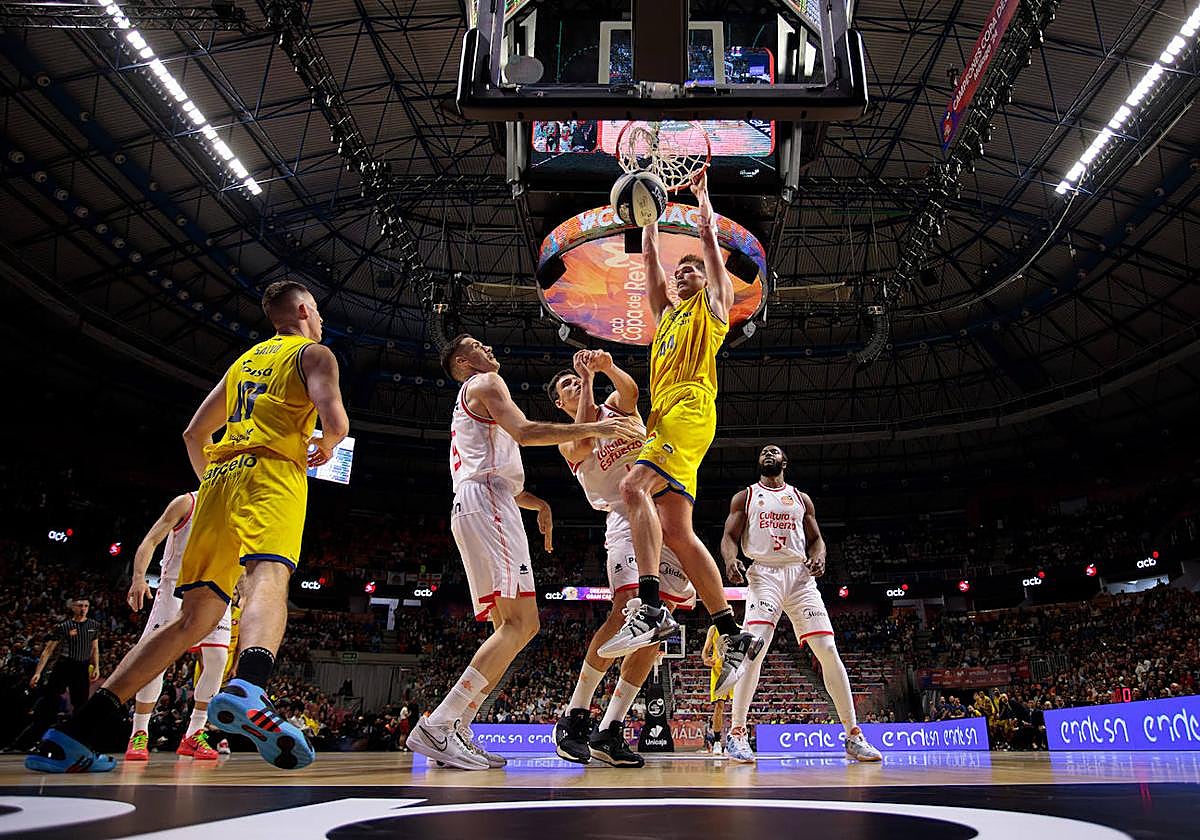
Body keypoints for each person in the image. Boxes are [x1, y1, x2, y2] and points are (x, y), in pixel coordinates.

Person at [26, 280, 349, 774]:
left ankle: (74, 734)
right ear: (305, 310)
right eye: (319, 311)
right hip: (271, 472)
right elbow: (337, 422)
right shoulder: (315, 355)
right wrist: (326, 445)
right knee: (268, 574)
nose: (322, 320)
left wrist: (215, 485)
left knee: (191, 620)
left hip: (217, 484)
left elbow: (194, 432)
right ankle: (250, 685)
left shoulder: (243, 364)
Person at [407, 334, 642, 770]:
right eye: (477, 345)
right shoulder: (486, 382)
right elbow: (526, 432)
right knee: (521, 624)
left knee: (508, 627)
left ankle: (457, 725)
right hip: (488, 502)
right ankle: (438, 724)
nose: (488, 347)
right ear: (463, 362)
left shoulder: (475, 400)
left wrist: (540, 504)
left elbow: (498, 471)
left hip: (480, 501)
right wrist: (595, 428)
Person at [600, 171, 762, 697]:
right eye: (680, 271)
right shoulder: (666, 318)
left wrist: (703, 205)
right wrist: (648, 223)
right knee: (676, 532)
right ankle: (731, 633)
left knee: (632, 487)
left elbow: (713, 257)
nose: (683, 274)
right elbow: (650, 268)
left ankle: (648, 607)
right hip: (666, 416)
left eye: (690, 270)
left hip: (689, 409)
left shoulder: (712, 309)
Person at [547, 349, 697, 767]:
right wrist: (586, 381)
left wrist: (607, 367)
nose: (574, 383)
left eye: (575, 379)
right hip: (624, 517)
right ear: (559, 403)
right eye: (567, 385)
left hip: (664, 511)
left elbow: (630, 392)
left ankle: (610, 729)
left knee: (658, 629)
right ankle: (575, 715)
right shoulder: (566, 436)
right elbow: (583, 441)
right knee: (626, 609)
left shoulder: (615, 406)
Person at [718, 445, 881, 763]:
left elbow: (817, 539)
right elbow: (729, 536)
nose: (768, 454)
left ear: (785, 462)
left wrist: (820, 555)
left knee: (828, 650)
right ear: (758, 462)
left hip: (800, 576)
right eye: (763, 452)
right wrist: (729, 559)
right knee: (753, 650)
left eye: (774, 451)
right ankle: (736, 734)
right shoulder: (746, 496)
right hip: (764, 573)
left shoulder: (801, 498)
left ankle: (853, 735)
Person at [123, 491, 234, 761]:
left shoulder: (238, 507)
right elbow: (151, 540)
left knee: (218, 660)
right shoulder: (187, 502)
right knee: (156, 660)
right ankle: (139, 732)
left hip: (217, 591)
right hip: (176, 589)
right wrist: (138, 578)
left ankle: (194, 733)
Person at [12, 597, 101, 751]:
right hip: (64, 665)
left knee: (81, 706)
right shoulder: (63, 626)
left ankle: (79, 743)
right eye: (80, 605)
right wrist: (38, 672)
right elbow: (48, 650)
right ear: (73, 607)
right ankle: (29, 741)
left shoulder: (94, 625)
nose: (83, 609)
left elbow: (95, 648)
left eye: (86, 606)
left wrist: (97, 666)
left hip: (82, 667)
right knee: (48, 703)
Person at [701, 624, 732, 755]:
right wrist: (705, 659)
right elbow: (706, 649)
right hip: (718, 671)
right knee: (719, 706)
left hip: (734, 669)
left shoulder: (738, 628)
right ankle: (717, 742)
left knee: (738, 706)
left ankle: (736, 739)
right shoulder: (714, 629)